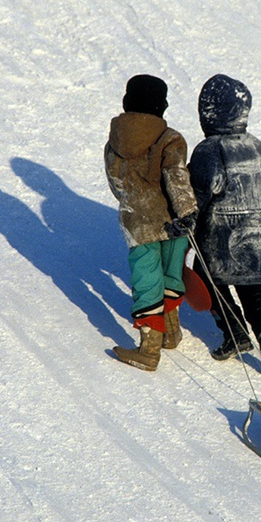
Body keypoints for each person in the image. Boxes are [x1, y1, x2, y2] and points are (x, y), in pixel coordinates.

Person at [188, 74, 261, 373]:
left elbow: (201, 192)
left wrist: (190, 221)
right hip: (257, 232)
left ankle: (235, 333)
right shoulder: (258, 146)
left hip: (220, 233)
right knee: (254, 289)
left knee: (207, 277)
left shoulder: (209, 150)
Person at [104, 74, 198, 371]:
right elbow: (177, 176)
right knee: (171, 274)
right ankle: (161, 341)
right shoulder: (169, 138)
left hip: (138, 222)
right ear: (162, 105)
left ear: (127, 102)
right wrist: (187, 211)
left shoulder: (114, 143)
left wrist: (133, 203)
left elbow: (116, 182)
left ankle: (154, 340)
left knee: (147, 281)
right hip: (173, 222)